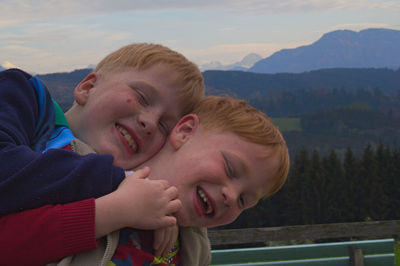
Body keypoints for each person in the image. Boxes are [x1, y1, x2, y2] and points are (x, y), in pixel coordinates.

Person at [1, 96, 290, 265]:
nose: (231, 195)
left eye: (244, 200)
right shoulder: (80, 175)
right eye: (230, 167)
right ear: (185, 131)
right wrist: (114, 211)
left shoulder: (194, 251)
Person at [0, 43, 204, 263]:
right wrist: (120, 183)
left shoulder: (143, 208)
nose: (150, 122)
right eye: (142, 97)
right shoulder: (25, 94)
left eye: (165, 126)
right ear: (87, 87)